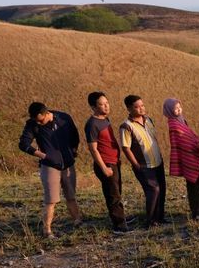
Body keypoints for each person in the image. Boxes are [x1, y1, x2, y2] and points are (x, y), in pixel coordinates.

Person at [19, 102, 82, 238]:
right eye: (36, 120)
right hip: (49, 166)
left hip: (68, 163)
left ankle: (78, 221)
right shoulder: (32, 124)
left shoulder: (63, 117)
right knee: (51, 200)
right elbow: (23, 144)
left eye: (40, 120)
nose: (39, 122)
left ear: (47, 113)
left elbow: (74, 135)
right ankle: (47, 230)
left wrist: (73, 151)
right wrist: (42, 155)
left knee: (71, 195)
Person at [84, 91, 131, 234]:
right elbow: (93, 149)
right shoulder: (92, 124)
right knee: (113, 194)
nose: (106, 106)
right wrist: (103, 167)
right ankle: (119, 226)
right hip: (106, 164)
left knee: (117, 192)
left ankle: (120, 218)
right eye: (101, 104)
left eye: (107, 103)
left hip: (114, 162)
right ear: (93, 107)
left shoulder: (105, 119)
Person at [163, 98, 199, 221]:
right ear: (170, 110)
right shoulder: (174, 124)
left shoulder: (181, 121)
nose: (179, 109)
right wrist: (194, 144)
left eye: (180, 106)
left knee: (193, 186)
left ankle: (196, 213)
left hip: (190, 157)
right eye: (176, 108)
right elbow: (182, 142)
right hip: (189, 158)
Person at [120, 95, 167, 228]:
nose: (141, 108)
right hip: (143, 165)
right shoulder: (126, 126)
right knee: (154, 190)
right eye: (137, 106)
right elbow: (125, 147)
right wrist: (136, 164)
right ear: (129, 109)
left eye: (142, 105)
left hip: (157, 162)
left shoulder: (148, 120)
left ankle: (160, 218)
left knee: (162, 189)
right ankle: (150, 221)